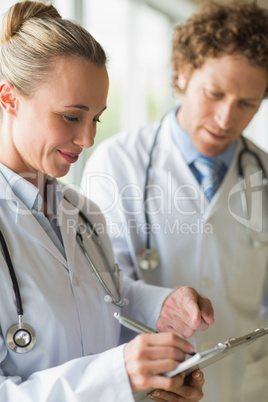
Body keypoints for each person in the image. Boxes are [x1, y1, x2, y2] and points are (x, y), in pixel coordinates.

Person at [0, 1, 215, 401]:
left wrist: (159, 311)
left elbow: (103, 301)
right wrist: (117, 377)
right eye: (70, 116)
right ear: (9, 98)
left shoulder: (85, 214)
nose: (88, 139)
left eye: (96, 118)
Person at [81, 1, 268, 401]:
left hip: (247, 387)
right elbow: (100, 293)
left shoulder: (264, 175)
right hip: (153, 388)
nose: (225, 119)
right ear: (183, 71)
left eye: (247, 104)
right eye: (214, 93)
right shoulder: (118, 164)